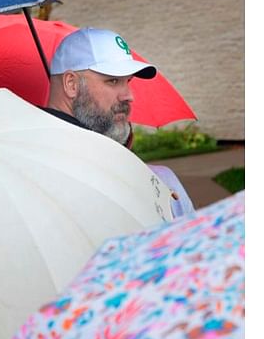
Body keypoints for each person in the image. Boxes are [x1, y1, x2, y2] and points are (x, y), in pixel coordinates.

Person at [46, 27, 194, 216]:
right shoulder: (34, 173)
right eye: (113, 81)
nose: (129, 96)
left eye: (128, 81)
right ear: (71, 84)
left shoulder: (162, 182)